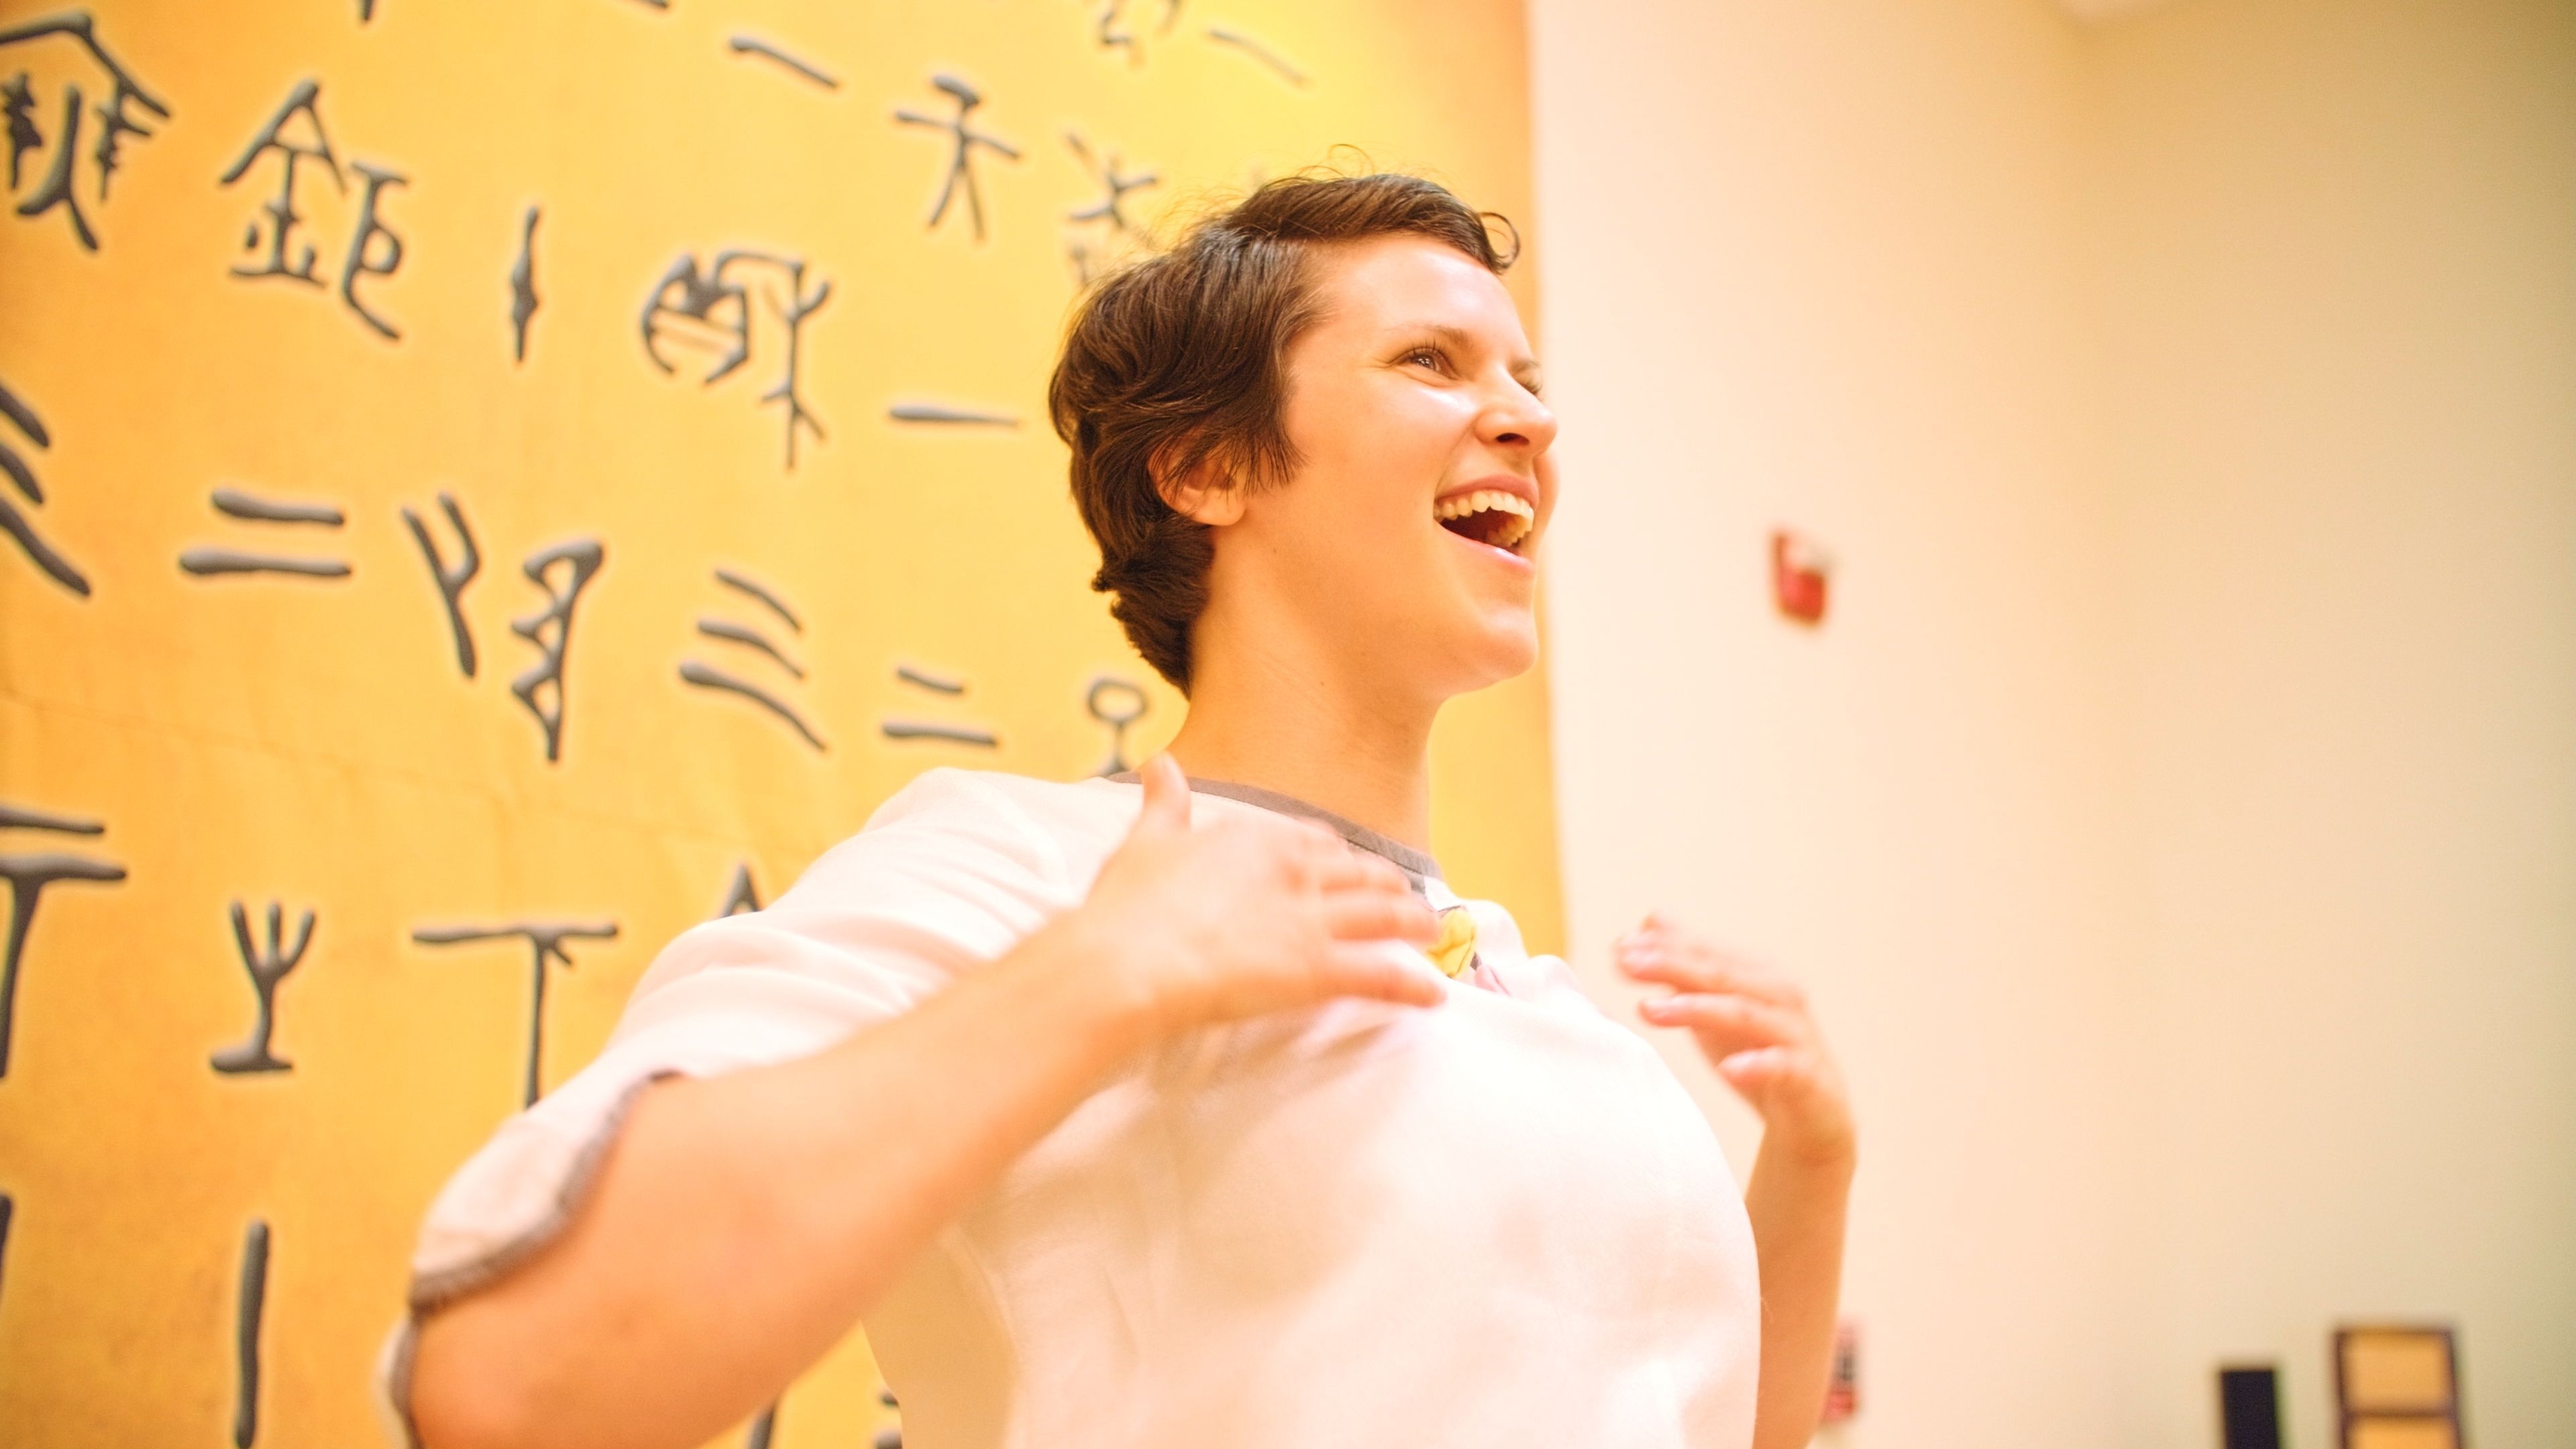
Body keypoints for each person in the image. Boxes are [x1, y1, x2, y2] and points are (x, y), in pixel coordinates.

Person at [386, 172, 1854, 1449]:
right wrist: (1097, 982)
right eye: (1433, 361)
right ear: (1208, 468)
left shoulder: (1528, 994)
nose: (1527, 420)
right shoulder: (1032, 875)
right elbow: (511, 1383)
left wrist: (1812, 1161)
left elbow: (1700, 1417)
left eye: (1528, 380)